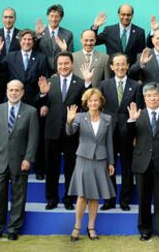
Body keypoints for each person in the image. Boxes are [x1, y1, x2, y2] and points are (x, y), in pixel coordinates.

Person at [38, 51, 92, 210]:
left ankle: (69, 199)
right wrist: (43, 94)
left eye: (66, 63)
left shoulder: (81, 82)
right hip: (52, 130)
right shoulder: (49, 82)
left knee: (71, 168)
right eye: (60, 64)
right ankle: (51, 199)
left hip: (72, 131)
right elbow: (40, 105)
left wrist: (88, 83)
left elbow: (88, 103)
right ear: (57, 65)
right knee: (51, 167)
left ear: (72, 64)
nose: (63, 66)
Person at [0, 80, 39, 241]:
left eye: (17, 90)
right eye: (11, 90)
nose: (13, 93)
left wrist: (28, 158)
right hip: (0, 161)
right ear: (7, 91)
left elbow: (33, 138)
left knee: (19, 197)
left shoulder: (30, 111)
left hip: (20, 162)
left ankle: (14, 229)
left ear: (22, 92)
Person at [127, 82, 159, 241]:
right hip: (142, 163)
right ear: (144, 97)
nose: (152, 98)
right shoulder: (138, 115)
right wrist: (131, 121)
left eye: (155, 95)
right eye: (148, 95)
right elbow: (127, 138)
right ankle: (145, 230)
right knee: (144, 199)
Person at [66, 88, 116, 242]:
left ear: (100, 102)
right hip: (83, 158)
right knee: (82, 195)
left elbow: (109, 142)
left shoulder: (107, 119)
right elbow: (70, 133)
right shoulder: (80, 117)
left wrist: (111, 162)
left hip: (100, 159)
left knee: (94, 197)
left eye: (96, 100)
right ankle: (77, 226)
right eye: (90, 100)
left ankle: (91, 227)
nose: (93, 103)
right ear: (86, 103)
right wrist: (69, 120)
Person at [99, 53, 143, 211]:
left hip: (128, 132)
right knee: (108, 166)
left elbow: (138, 111)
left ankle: (125, 200)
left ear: (128, 65)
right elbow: (97, 108)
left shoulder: (136, 86)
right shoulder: (104, 85)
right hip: (108, 131)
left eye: (123, 64)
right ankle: (109, 200)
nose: (120, 67)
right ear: (111, 67)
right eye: (116, 64)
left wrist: (136, 135)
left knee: (127, 167)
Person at [0, 29, 50, 106]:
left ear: (33, 42)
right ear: (20, 41)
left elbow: (45, 81)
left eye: (29, 39)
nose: (26, 42)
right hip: (12, 99)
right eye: (24, 39)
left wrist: (44, 104)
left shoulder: (41, 58)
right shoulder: (11, 56)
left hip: (33, 102)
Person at [35, 4, 74, 72]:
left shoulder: (68, 34)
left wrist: (64, 50)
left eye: (57, 16)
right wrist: (37, 35)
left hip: (60, 71)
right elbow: (33, 50)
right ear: (47, 16)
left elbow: (71, 56)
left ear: (61, 18)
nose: (53, 19)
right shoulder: (39, 33)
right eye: (51, 16)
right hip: (41, 70)